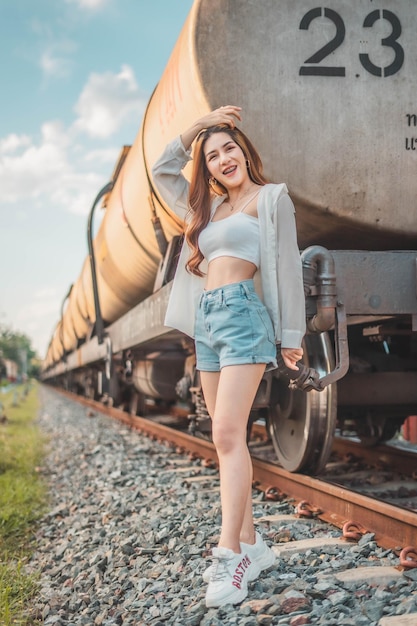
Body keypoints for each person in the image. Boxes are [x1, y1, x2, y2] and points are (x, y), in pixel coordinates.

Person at [152, 106, 305, 608]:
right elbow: (161, 171)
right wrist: (200, 125)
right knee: (224, 440)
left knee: (225, 433)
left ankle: (228, 554)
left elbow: (285, 267)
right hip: (208, 323)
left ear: (245, 151)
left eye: (229, 149)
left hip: (243, 315)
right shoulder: (209, 211)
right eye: (212, 156)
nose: (222, 160)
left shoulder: (271, 198)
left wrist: (290, 335)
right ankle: (254, 545)